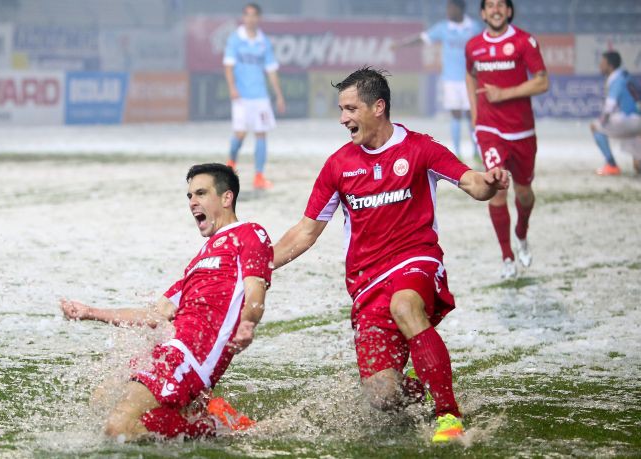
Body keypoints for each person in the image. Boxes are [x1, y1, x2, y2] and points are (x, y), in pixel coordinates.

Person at [272, 68, 509, 443]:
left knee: (404, 307)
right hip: (367, 284)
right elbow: (305, 231)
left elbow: (472, 183)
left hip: (416, 261)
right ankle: (425, 389)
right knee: (382, 395)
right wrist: (260, 263)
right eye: (341, 109)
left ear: (378, 107)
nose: (343, 118)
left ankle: (449, 417)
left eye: (350, 109)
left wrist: (490, 183)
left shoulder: (420, 148)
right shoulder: (338, 165)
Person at [60, 163, 273, 441]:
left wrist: (248, 323)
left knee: (117, 427)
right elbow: (155, 315)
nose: (192, 202)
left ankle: (215, 428)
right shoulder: (197, 264)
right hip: (168, 350)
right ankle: (199, 418)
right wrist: (90, 312)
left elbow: (255, 289)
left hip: (191, 358)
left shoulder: (250, 234)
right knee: (100, 401)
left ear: (226, 198)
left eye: (200, 193)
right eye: (189, 196)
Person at [465, 0, 550, 279]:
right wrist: (476, 114)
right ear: (483, 13)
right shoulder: (473, 46)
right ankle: (507, 257)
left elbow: (542, 81)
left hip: (522, 132)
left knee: (524, 193)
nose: (496, 9)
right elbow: (470, 74)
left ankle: (521, 233)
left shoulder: (525, 41)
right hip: (490, 131)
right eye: (490, 5)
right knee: (497, 188)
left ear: (509, 11)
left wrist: (504, 94)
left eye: (501, 4)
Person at [392, 0, 482, 161]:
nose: (448, 11)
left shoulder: (474, 27)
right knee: (455, 115)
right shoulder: (443, 27)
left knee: (471, 115)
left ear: (460, 9)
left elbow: (483, 47)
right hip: (450, 80)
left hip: (469, 78)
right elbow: (422, 38)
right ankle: (457, 152)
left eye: (451, 8)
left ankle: (476, 151)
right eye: (447, 8)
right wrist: (401, 44)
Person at [224, 2, 286, 190]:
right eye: (247, 15)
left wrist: (279, 95)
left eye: (254, 15)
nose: (250, 18)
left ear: (258, 18)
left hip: (260, 97)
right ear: (243, 17)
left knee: (261, 134)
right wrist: (232, 88)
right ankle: (230, 164)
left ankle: (259, 176)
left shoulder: (263, 41)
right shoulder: (235, 39)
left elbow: (271, 70)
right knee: (240, 134)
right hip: (242, 96)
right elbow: (228, 66)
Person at [590, 50, 641, 176]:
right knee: (638, 166)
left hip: (628, 120)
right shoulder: (626, 75)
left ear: (610, 65)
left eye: (602, 62)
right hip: (637, 120)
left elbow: (610, 105)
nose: (600, 66)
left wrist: (602, 121)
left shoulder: (615, 79)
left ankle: (611, 165)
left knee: (595, 127)